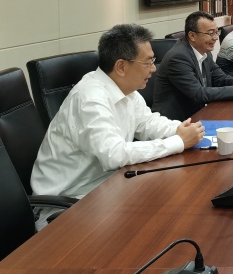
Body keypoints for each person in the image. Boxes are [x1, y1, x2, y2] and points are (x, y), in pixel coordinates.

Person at [31, 24, 205, 224]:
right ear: (121, 66)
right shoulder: (90, 98)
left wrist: (179, 130)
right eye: (148, 62)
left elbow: (148, 123)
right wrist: (178, 142)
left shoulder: (126, 90)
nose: (154, 68)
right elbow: (114, 155)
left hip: (108, 188)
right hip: (69, 206)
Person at [153, 11, 233, 120]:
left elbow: (220, 78)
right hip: (177, 122)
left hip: (200, 113)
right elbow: (198, 94)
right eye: (211, 33)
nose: (215, 38)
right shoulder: (178, 57)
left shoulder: (205, 52)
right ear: (192, 35)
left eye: (216, 32)